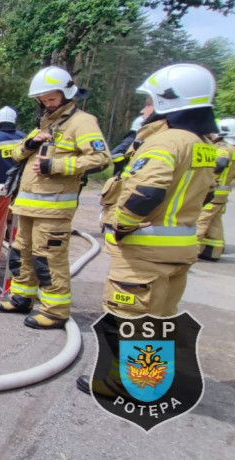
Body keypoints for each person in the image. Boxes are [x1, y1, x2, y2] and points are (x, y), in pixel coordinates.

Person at [78, 63, 218, 394]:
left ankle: (123, 384)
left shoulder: (166, 142)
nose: (144, 109)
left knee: (129, 316)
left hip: (147, 250)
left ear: (170, 102)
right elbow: (208, 192)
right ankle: (146, 380)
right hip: (179, 249)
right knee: (156, 318)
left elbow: (147, 192)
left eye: (149, 102)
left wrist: (120, 226)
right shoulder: (202, 145)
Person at [0, 66, 109, 330]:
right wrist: (30, 145)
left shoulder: (82, 122)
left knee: (48, 259)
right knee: (21, 253)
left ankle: (54, 311)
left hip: (55, 209)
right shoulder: (46, 123)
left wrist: (55, 167)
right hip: (28, 206)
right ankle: (21, 297)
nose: (46, 104)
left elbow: (102, 158)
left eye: (52, 99)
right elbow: (15, 155)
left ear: (67, 94)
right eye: (43, 100)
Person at [196, 118, 235, 260]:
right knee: (214, 223)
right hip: (222, 195)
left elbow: (221, 163)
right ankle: (213, 252)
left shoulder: (224, 148)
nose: (211, 135)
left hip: (214, 191)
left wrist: (211, 175)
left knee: (200, 221)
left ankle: (189, 251)